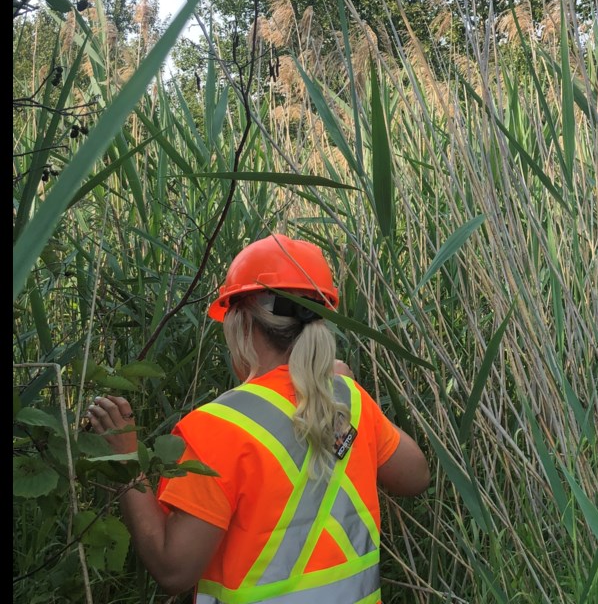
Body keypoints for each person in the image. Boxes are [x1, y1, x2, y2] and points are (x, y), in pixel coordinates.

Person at [86, 233, 431, 604]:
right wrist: (344, 391)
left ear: (241, 323)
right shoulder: (348, 400)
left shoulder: (217, 427)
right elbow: (416, 476)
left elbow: (174, 569)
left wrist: (125, 462)